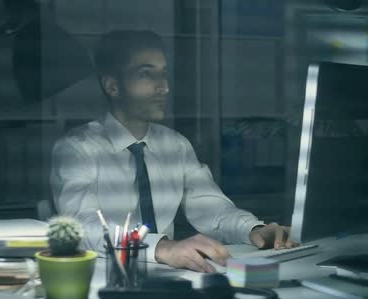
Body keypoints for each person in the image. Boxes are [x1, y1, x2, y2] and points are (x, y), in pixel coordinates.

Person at [50, 30, 297, 273]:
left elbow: (211, 208)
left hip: (168, 275)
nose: (164, 87)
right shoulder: (77, 149)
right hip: (106, 278)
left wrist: (253, 229)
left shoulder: (175, 145)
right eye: (147, 74)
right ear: (113, 86)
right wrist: (162, 248)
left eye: (164, 74)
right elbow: (83, 225)